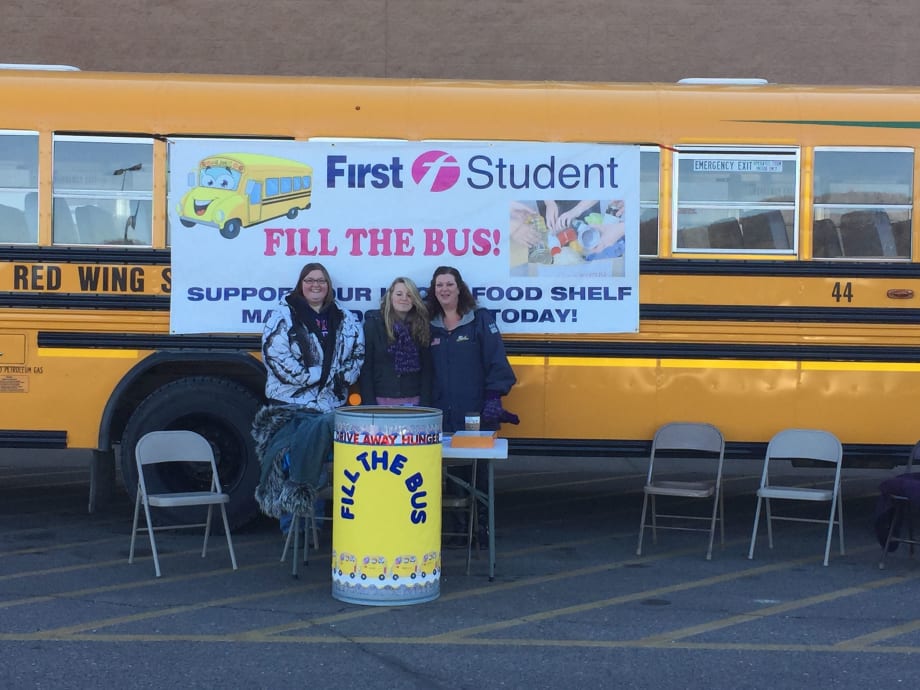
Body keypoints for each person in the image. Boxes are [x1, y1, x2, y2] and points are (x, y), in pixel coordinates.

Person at [252, 262, 365, 534]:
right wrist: (315, 375)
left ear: (329, 286)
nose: (316, 285)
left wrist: (342, 378)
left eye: (322, 281)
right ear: (301, 285)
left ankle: (318, 531)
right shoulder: (283, 316)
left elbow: (357, 354)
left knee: (326, 467)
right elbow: (276, 357)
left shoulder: (345, 319)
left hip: (329, 410)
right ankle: (294, 530)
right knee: (294, 464)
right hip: (292, 408)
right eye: (310, 280)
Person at [426, 266, 518, 545]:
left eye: (449, 284)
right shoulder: (429, 324)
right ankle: (457, 530)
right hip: (443, 414)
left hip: (475, 414)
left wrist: (494, 398)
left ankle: (481, 528)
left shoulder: (479, 320)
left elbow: (497, 362)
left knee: (477, 475)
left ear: (459, 287)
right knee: (452, 475)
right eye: (439, 285)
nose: (444, 289)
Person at [360, 276, 433, 407]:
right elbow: (366, 369)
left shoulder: (421, 326)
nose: (404, 298)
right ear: (390, 297)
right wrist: (369, 404)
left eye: (409, 295)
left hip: (414, 401)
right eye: (399, 294)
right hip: (380, 400)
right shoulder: (373, 325)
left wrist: (425, 403)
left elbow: (427, 370)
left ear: (415, 300)